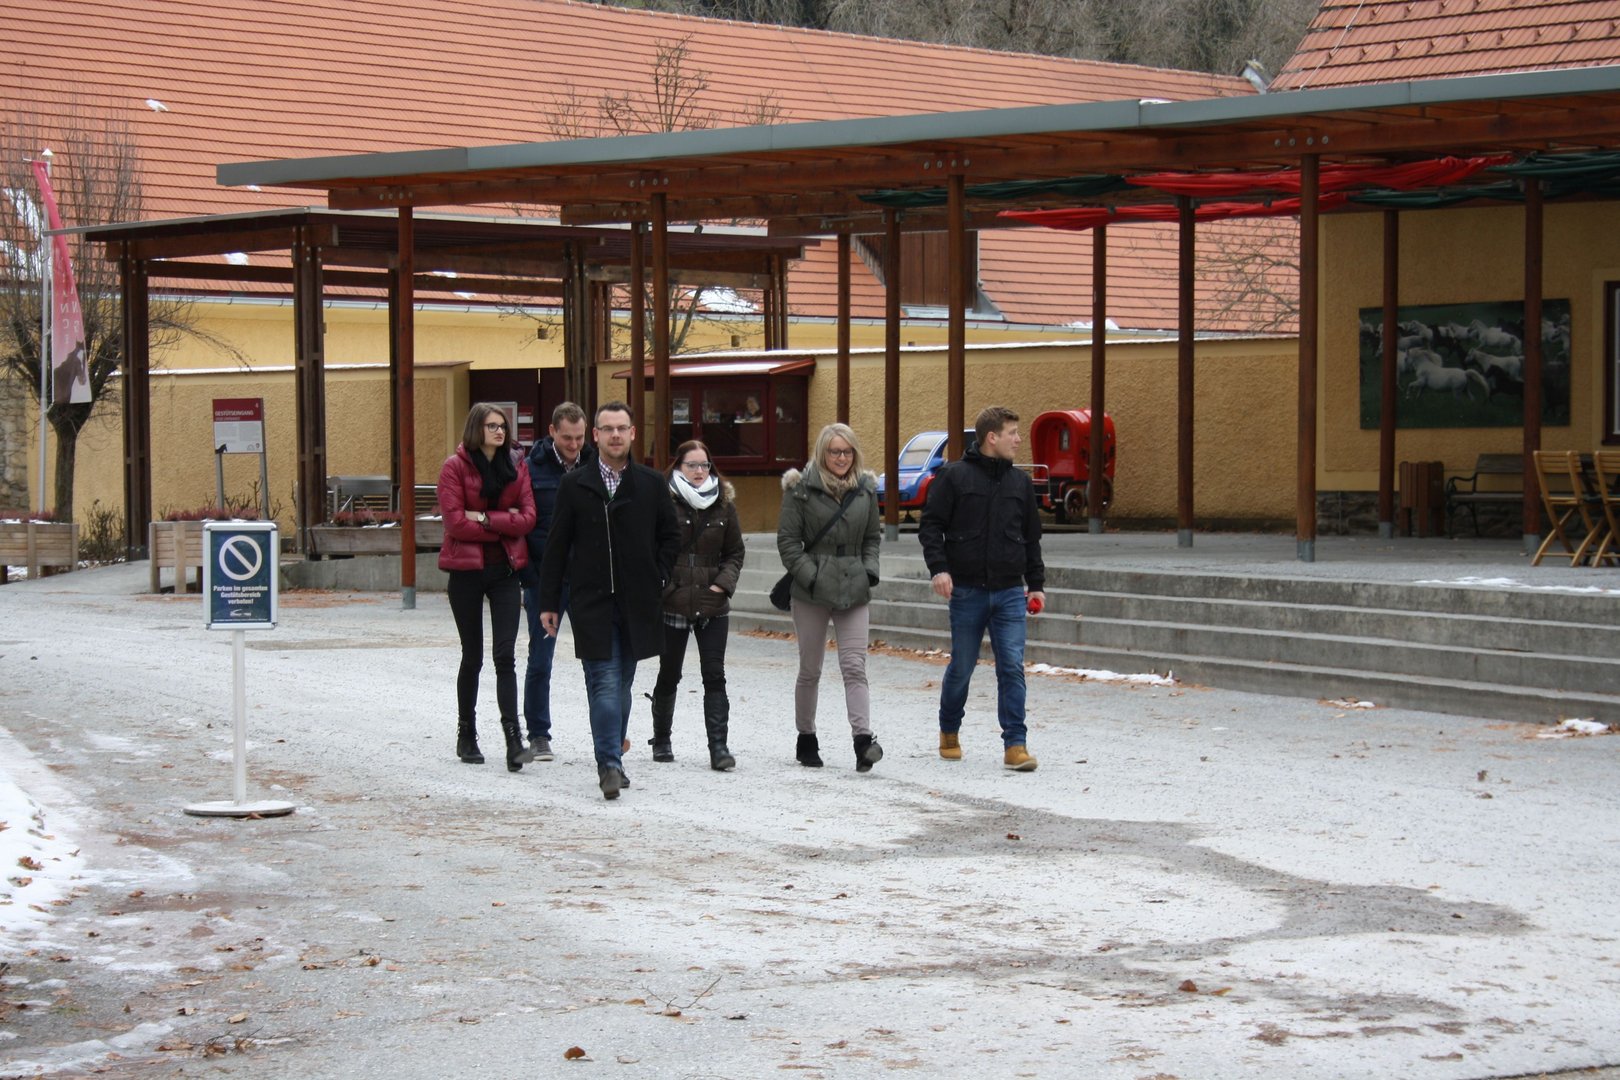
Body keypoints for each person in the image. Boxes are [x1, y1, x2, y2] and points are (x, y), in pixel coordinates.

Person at [538, 402, 679, 800]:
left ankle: (612, 752)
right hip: (592, 602)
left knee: (622, 685)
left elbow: (671, 536)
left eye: (622, 428)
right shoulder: (575, 485)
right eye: (607, 429)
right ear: (596, 436)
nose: (615, 435)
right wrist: (548, 601)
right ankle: (609, 765)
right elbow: (557, 545)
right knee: (603, 682)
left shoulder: (651, 484)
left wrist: (659, 574)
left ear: (632, 433)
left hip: (638, 602)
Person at [917, 405, 1045, 772]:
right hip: (967, 591)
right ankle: (949, 729)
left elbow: (1031, 538)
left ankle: (1015, 744)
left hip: (1009, 592)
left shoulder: (1020, 483)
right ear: (992, 437)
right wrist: (939, 569)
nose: (1018, 440)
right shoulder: (954, 477)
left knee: (1012, 667)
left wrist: (1036, 584)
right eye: (1012, 433)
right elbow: (931, 526)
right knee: (962, 666)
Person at [776, 423, 883, 773]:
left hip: (854, 584)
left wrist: (869, 571)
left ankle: (863, 741)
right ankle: (806, 736)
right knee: (811, 668)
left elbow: (872, 538)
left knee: (854, 666)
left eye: (847, 451)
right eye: (835, 451)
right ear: (823, 453)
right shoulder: (800, 489)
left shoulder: (865, 489)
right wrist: (812, 575)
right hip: (811, 588)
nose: (841, 458)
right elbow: (788, 542)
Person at [438, 403, 538, 772]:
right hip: (465, 572)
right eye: (491, 426)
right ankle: (467, 733)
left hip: (505, 571)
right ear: (475, 429)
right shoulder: (454, 467)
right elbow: (454, 524)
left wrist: (481, 517)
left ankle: (514, 740)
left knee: (505, 655)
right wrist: (502, 523)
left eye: (502, 426)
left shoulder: (516, 465)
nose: (499, 431)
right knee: (473, 656)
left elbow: (527, 519)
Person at [648, 441, 745, 771]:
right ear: (679, 467)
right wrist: (667, 587)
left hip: (712, 600)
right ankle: (662, 739)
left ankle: (719, 747)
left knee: (714, 674)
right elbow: (652, 549)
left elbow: (735, 552)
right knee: (670, 672)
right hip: (674, 599)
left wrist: (723, 585)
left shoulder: (724, 503)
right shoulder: (664, 501)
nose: (700, 471)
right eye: (692, 465)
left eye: (705, 465)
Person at [519, 402, 594, 762]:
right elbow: (524, 525)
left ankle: (606, 735)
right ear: (552, 432)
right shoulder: (529, 468)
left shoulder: (596, 466)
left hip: (587, 579)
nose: (574, 445)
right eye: (567, 438)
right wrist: (532, 576)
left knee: (598, 659)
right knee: (541, 658)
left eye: (579, 437)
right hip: (544, 580)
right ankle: (538, 734)